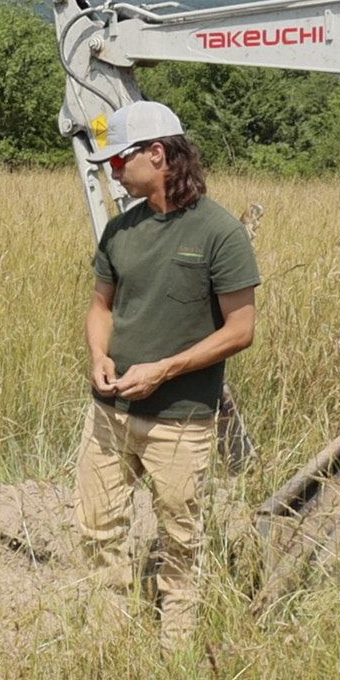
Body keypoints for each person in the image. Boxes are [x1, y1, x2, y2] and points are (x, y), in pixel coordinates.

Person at [73, 100, 260, 648]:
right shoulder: (119, 230)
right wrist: (98, 357)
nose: (111, 171)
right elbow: (101, 306)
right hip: (110, 412)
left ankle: (175, 646)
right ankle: (108, 637)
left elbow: (240, 329)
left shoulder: (220, 231)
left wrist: (165, 369)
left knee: (180, 536)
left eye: (119, 159)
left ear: (158, 155)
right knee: (97, 526)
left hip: (180, 420)